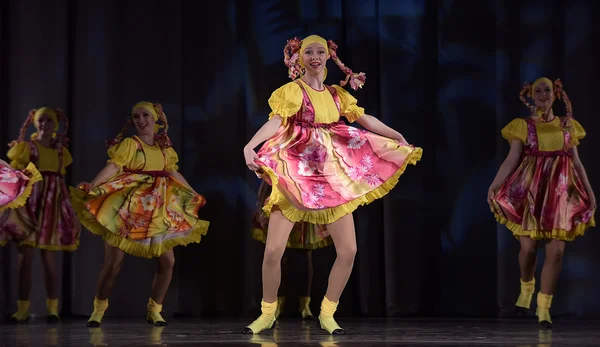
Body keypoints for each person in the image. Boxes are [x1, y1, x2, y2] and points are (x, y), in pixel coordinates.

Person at [242, 35, 422, 334]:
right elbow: (276, 121)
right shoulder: (292, 91)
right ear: (298, 59)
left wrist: (396, 136)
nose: (314, 56)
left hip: (331, 176)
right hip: (296, 173)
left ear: (329, 57)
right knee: (273, 250)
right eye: (308, 51)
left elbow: (365, 120)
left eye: (320, 51)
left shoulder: (338, 95)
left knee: (348, 250)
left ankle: (327, 312)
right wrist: (251, 145)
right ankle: (268, 311)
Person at [70, 101, 210, 327]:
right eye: (136, 117)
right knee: (113, 264)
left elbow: (172, 172)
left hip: (157, 207)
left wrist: (193, 193)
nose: (141, 120)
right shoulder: (130, 144)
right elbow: (114, 167)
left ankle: (155, 310)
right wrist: (94, 185)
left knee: (167, 261)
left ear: (155, 118)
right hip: (128, 206)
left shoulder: (165, 147)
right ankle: (98, 309)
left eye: (145, 115)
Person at [488, 78, 596, 328]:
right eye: (538, 91)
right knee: (528, 249)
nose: (543, 95)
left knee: (556, 252)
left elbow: (576, 163)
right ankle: (527, 287)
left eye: (547, 90)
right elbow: (511, 159)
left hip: (560, 192)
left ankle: (544, 308)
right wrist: (494, 185)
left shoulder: (568, 125)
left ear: (555, 94)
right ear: (531, 95)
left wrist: (590, 194)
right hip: (530, 192)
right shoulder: (522, 126)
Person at [1, 107, 80, 323]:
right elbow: (16, 175)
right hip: (30, 203)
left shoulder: (61, 151)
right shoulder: (26, 148)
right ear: (35, 123)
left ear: (55, 123)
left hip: (52, 204)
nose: (45, 123)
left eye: (49, 120)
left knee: (48, 257)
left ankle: (52, 308)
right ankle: (22, 309)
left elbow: (60, 177)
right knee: (25, 258)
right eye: (41, 120)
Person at [252, 181, 332, 320]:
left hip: (304, 207)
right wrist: (260, 208)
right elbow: (265, 182)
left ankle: (305, 305)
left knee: (305, 256)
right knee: (279, 256)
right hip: (281, 206)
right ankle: (277, 304)